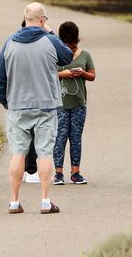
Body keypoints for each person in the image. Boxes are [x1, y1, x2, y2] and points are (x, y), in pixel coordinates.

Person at [0, 2, 73, 214]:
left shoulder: (10, 42)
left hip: (17, 104)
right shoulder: (49, 40)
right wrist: (50, 30)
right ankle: (45, 201)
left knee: (18, 153)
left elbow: (0, 75)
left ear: (24, 18)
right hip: (45, 105)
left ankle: (14, 201)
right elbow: (67, 56)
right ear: (42, 19)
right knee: (45, 152)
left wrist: (5, 101)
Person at [53, 21, 96, 185]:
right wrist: (62, 74)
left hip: (79, 103)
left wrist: (82, 73)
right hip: (60, 104)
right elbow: (47, 75)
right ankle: (58, 173)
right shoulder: (55, 55)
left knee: (76, 138)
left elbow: (92, 76)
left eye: (72, 45)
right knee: (60, 137)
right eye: (66, 45)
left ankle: (75, 172)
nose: (70, 48)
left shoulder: (85, 55)